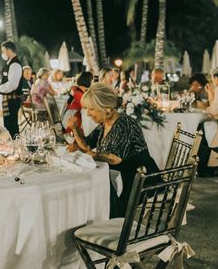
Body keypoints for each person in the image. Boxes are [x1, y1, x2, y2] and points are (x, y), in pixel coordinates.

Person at [68, 82, 159, 217]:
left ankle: (108, 225)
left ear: (106, 108)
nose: (87, 114)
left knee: (98, 192)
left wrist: (85, 154)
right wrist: (75, 129)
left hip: (140, 181)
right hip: (120, 177)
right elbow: (87, 145)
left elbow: (114, 158)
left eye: (91, 109)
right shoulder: (104, 124)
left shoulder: (124, 123)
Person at [0, 41, 23, 138]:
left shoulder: (15, 65)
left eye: (3, 51)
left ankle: (16, 145)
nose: (2, 54)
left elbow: (12, 85)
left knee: (12, 125)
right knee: (8, 125)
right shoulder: (9, 64)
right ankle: (12, 146)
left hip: (12, 99)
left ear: (9, 50)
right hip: (7, 99)